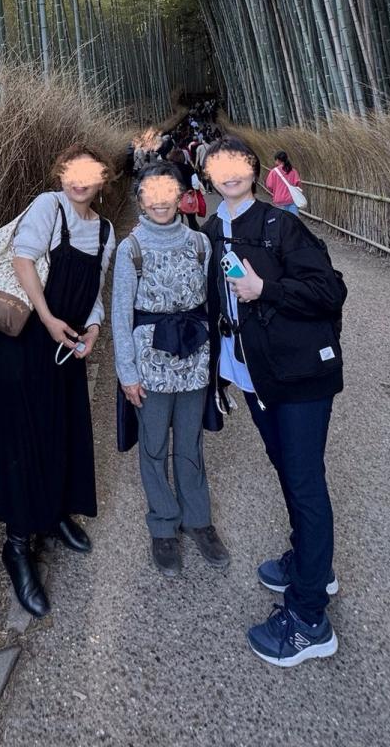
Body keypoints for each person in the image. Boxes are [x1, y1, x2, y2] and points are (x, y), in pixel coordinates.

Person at [201, 135, 347, 667]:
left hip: (300, 376)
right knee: (287, 468)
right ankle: (312, 565)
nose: (229, 171)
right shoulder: (211, 231)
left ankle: (309, 620)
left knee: (305, 482)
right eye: (218, 164)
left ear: (254, 168)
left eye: (238, 162)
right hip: (253, 376)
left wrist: (267, 290)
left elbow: (331, 291)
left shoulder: (280, 225)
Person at [0, 143, 116, 618]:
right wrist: (47, 318)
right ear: (61, 175)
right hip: (28, 345)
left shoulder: (105, 231)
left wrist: (94, 328)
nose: (79, 181)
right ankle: (18, 546)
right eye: (71, 172)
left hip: (68, 345)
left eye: (89, 173)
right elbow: (23, 262)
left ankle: (56, 512)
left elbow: (96, 291)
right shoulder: (48, 206)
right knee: (25, 438)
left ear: (103, 179)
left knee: (63, 431)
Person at [112, 163, 229, 577]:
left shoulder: (200, 243)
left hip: (194, 358)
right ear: (140, 199)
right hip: (150, 362)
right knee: (154, 443)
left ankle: (198, 520)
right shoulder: (131, 250)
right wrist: (127, 373)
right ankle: (163, 524)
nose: (160, 201)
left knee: (191, 443)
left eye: (168, 192)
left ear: (181, 196)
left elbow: (214, 301)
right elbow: (121, 314)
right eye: (151, 193)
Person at [265, 150, 303, 216]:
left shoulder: (274, 171)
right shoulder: (293, 171)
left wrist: (275, 191)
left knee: (281, 221)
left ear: (277, 160)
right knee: (293, 220)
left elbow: (269, 185)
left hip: (279, 201)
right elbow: (298, 184)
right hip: (292, 200)